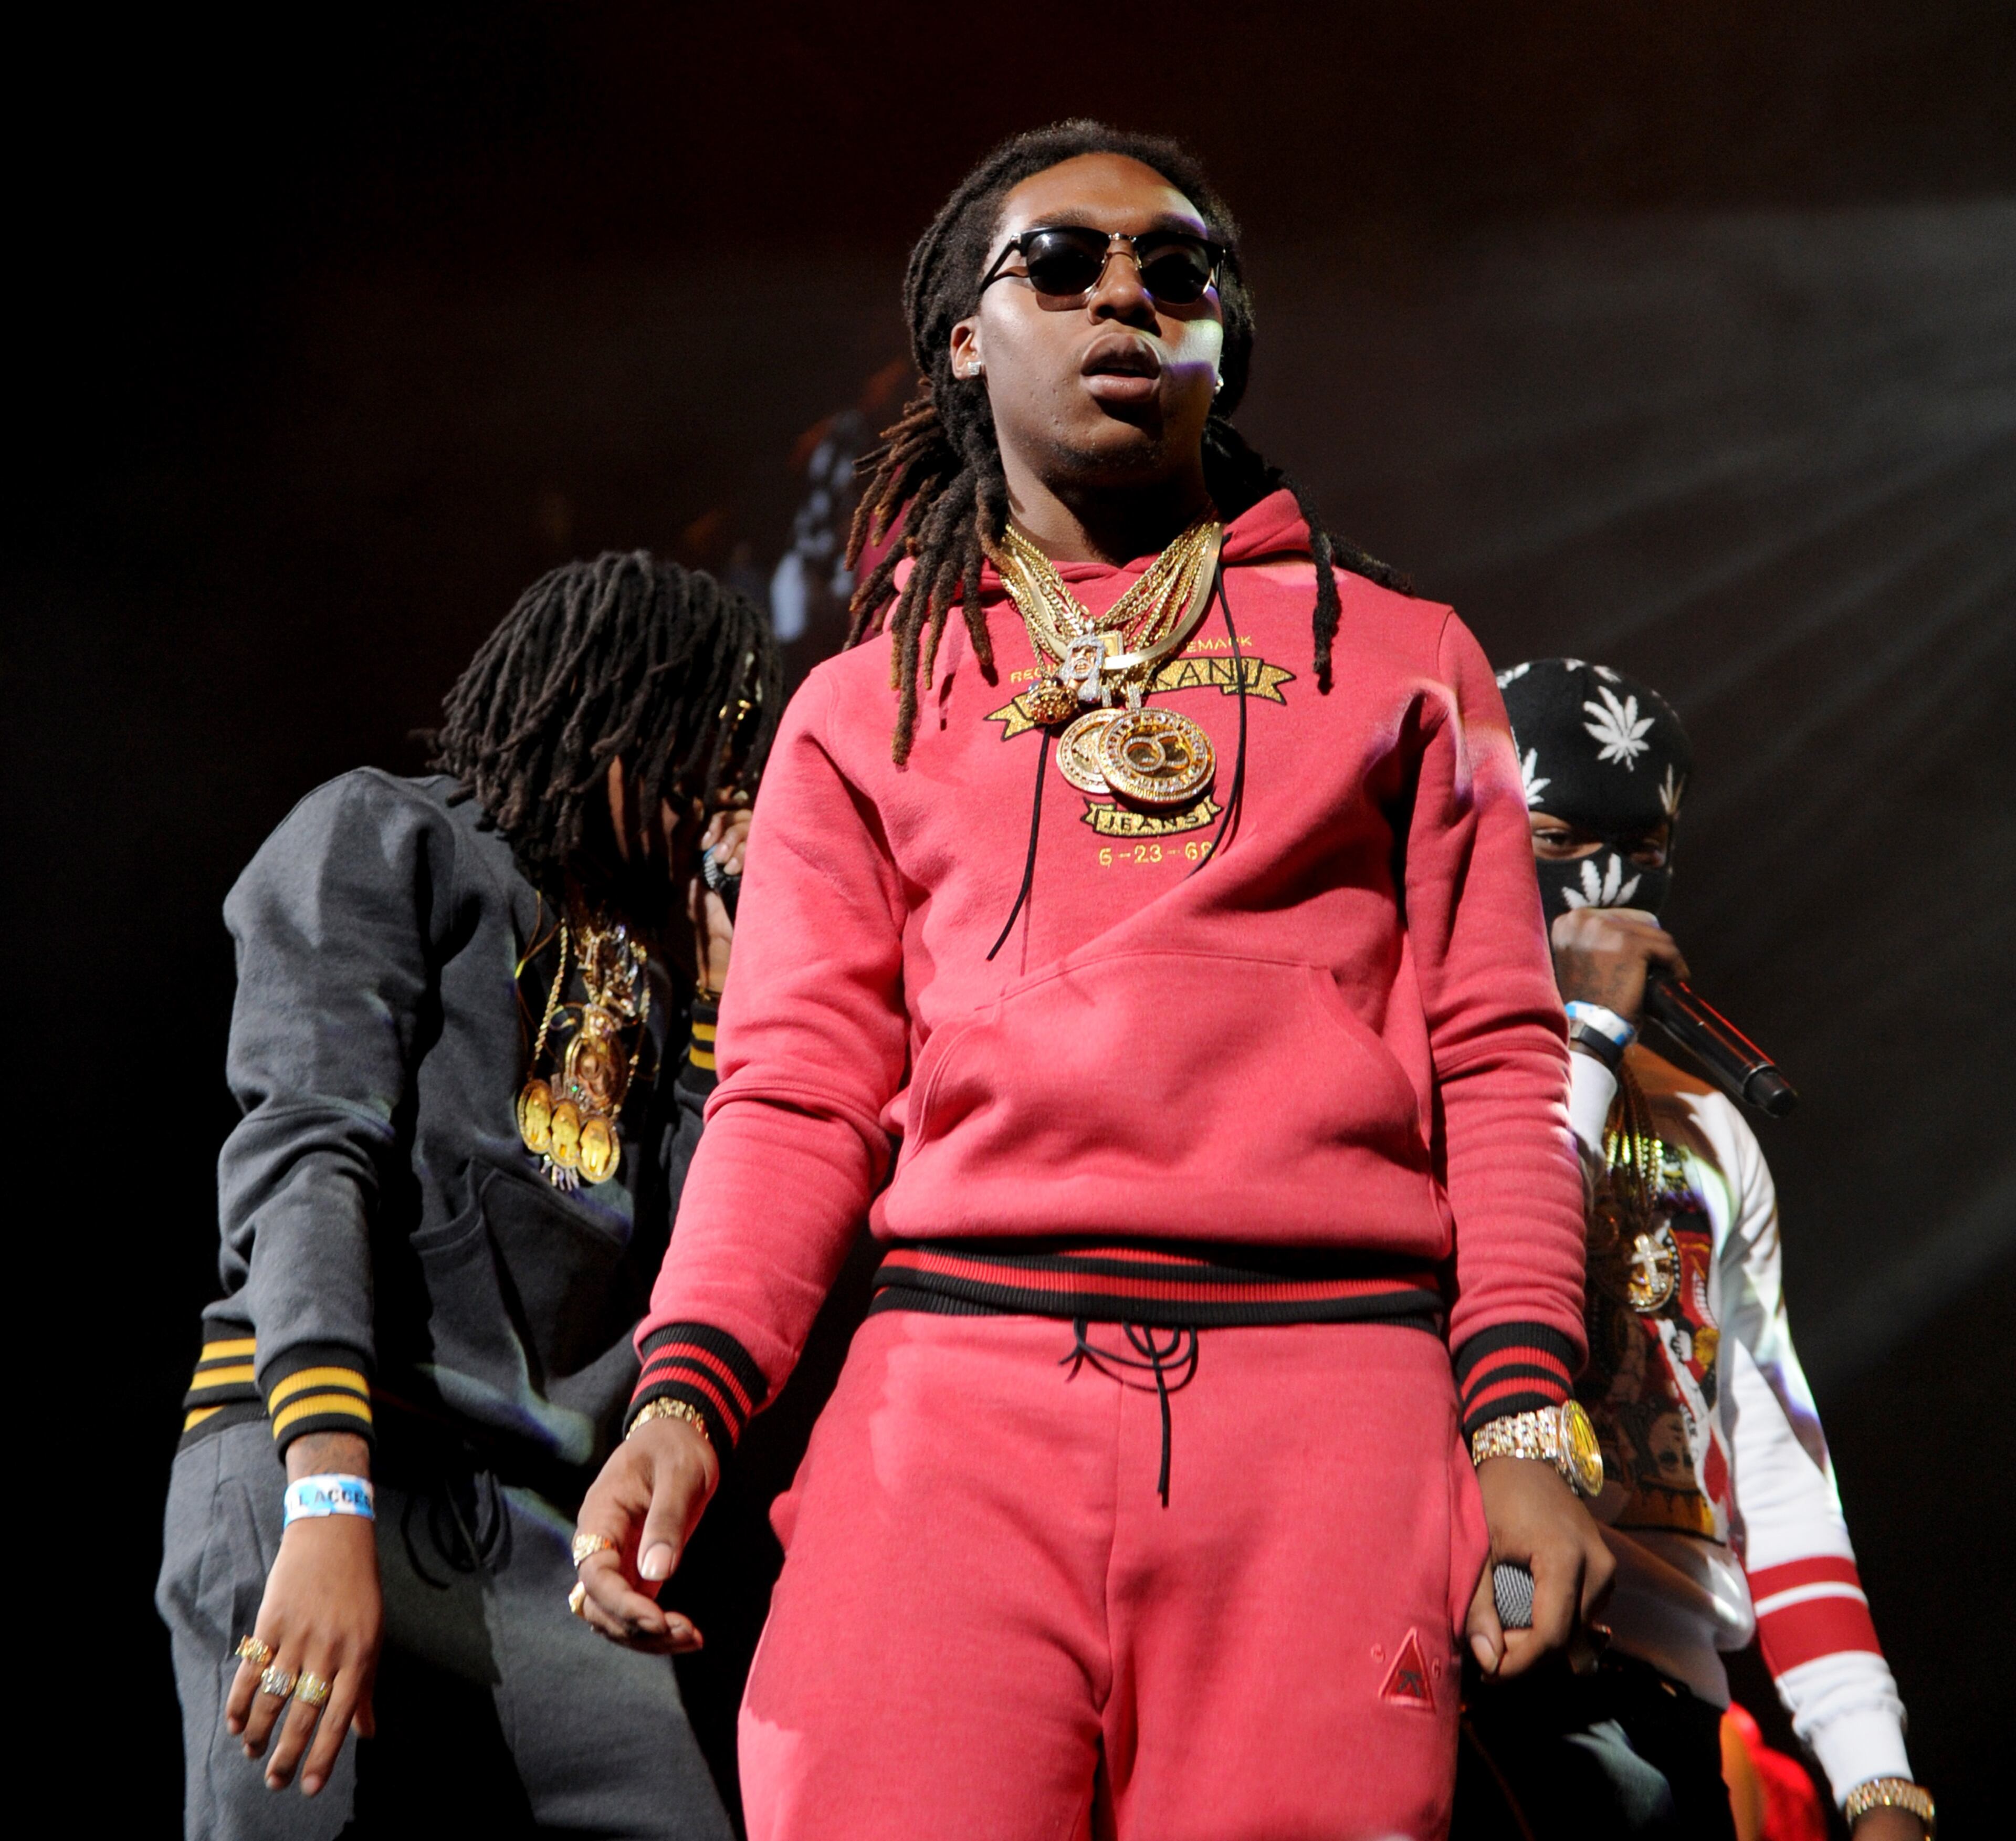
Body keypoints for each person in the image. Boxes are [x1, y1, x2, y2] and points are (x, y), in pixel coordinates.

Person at [569, 122, 1611, 1841]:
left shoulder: (1414, 665)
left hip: (1326, 1410)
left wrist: (1521, 1423)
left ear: (1228, 335)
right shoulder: (860, 704)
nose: (1126, 291)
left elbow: (1498, 1057)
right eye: (1060, 261)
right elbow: (800, 1092)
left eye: (1178, 270)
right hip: (953, 1408)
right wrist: (687, 1390)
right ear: (967, 336)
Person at [155, 552, 779, 1838]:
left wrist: (722, 1002)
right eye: (700, 742)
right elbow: (308, 1151)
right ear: (612, 707)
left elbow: (699, 1251)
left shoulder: (660, 974)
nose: (721, 793)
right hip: (329, 1455)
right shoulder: (389, 832)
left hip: (534, 1525)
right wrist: (327, 1494)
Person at [1454, 657, 1931, 1840]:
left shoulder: (1708, 1126)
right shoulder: (1417, 1080)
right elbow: (1497, 1257)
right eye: (1559, 832)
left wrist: (1877, 1778)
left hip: (1671, 1710)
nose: (1611, 880)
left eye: (1645, 844)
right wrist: (1587, 1040)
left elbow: (1771, 1460)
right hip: (1485, 1663)